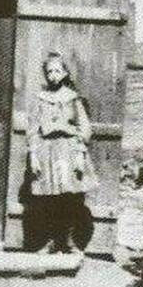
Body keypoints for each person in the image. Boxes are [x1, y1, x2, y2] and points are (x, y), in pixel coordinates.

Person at [26, 52, 96, 253]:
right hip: (47, 151)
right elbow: (33, 129)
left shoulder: (73, 98)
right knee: (48, 198)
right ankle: (50, 240)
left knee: (70, 197)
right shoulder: (41, 99)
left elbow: (84, 128)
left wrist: (80, 153)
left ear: (65, 73)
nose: (53, 75)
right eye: (49, 72)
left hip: (68, 150)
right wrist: (33, 155)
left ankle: (69, 241)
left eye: (57, 71)